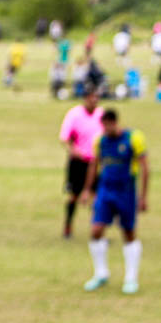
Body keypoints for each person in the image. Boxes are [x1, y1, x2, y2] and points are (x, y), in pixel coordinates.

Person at [80, 108, 150, 294]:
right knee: (96, 230)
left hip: (126, 191)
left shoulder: (133, 139)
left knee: (128, 232)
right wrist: (87, 190)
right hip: (105, 190)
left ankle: (131, 278)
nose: (105, 129)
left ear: (115, 123)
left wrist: (143, 196)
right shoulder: (100, 141)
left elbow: (145, 168)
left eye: (108, 125)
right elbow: (94, 165)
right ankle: (101, 273)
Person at [59, 87, 104, 238]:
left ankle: (97, 231)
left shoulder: (101, 114)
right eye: (91, 97)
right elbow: (65, 138)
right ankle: (68, 227)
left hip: (95, 162)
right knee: (74, 195)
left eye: (96, 97)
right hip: (79, 162)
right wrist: (74, 150)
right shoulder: (74, 114)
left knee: (97, 197)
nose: (94, 100)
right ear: (85, 98)